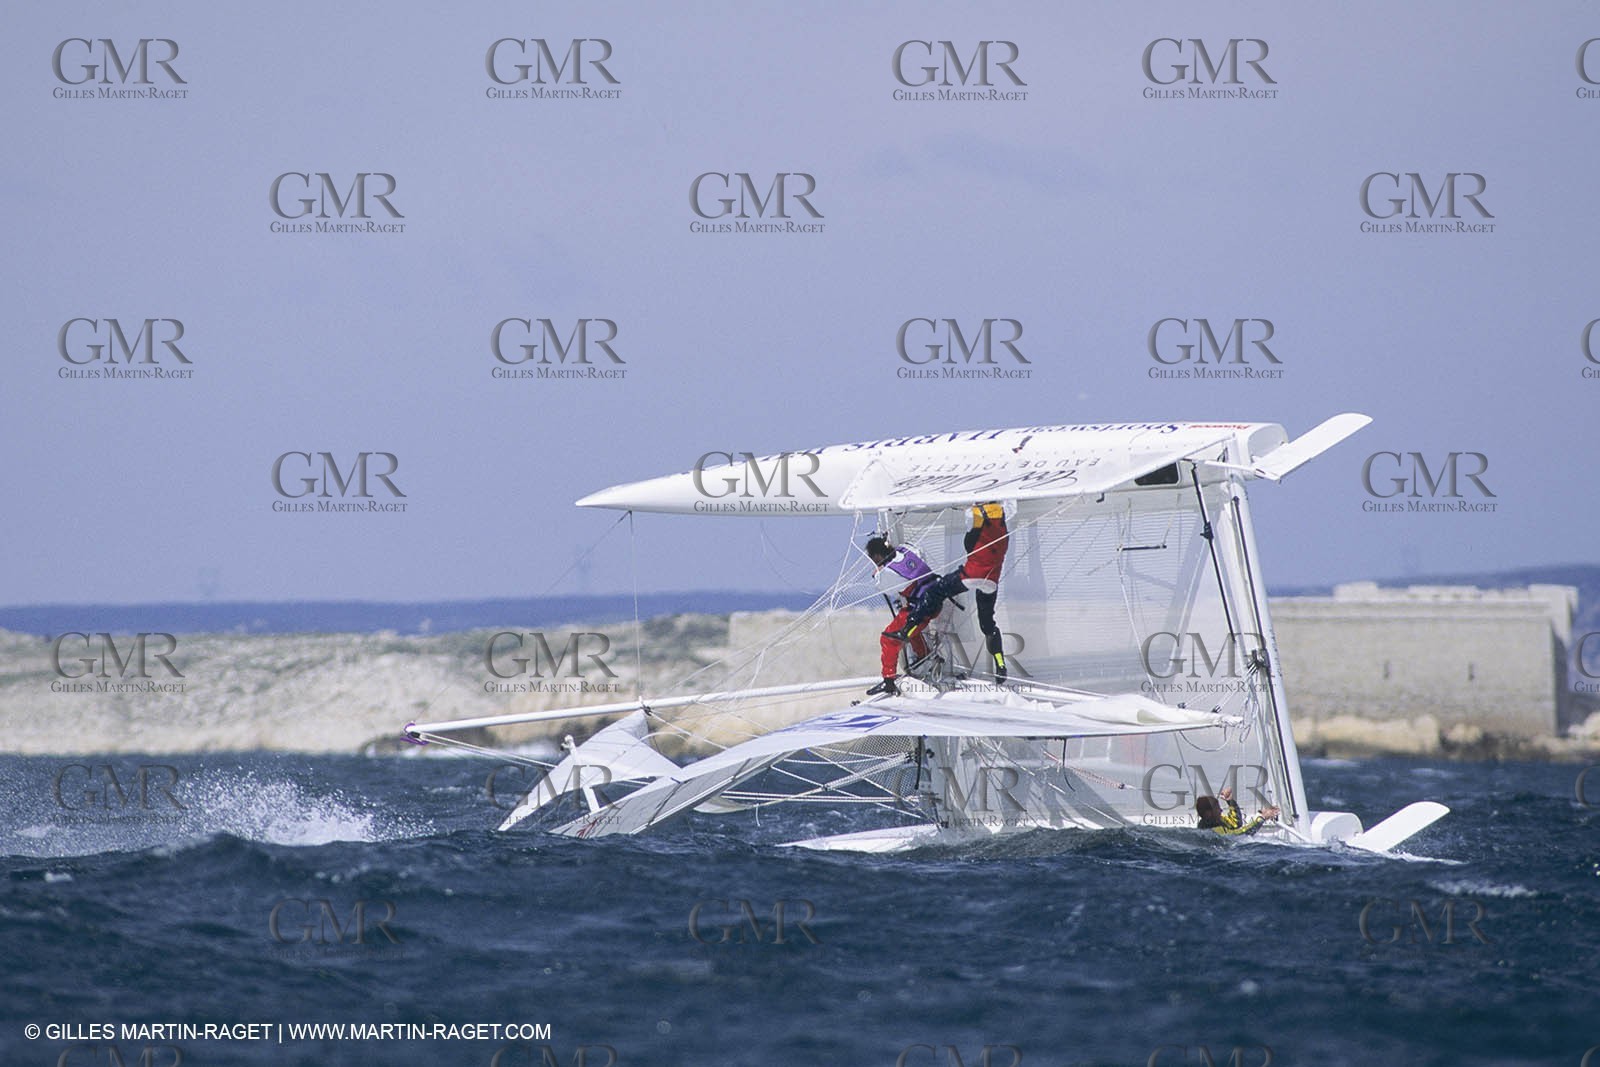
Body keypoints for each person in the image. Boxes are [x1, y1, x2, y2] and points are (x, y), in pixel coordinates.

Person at [885, 502, 1010, 682]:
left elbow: (969, 543)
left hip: (972, 574)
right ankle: (1000, 664)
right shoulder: (1003, 519)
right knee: (988, 624)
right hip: (991, 581)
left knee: (934, 592)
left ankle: (906, 630)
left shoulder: (976, 513)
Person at [864, 535, 937, 696]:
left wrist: (878, 572)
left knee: (889, 639)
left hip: (920, 609)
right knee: (908, 631)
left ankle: (888, 681)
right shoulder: (905, 550)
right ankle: (923, 658)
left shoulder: (890, 571)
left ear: (876, 556)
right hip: (932, 599)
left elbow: (884, 588)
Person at [1194, 786, 1280, 836]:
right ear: (1208, 813)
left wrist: (1230, 802)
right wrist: (1262, 818)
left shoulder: (1216, 820)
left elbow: (1236, 824)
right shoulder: (1213, 830)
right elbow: (1240, 835)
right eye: (1217, 809)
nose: (1220, 810)